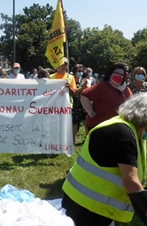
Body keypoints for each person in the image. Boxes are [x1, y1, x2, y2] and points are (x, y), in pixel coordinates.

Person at [62, 93, 147, 226]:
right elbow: (131, 183)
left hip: (97, 203)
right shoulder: (121, 134)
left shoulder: (135, 132)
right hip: (86, 205)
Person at [80, 63, 133, 131]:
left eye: (121, 74)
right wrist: (91, 112)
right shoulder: (102, 86)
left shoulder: (126, 89)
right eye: (116, 73)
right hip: (98, 126)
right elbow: (84, 95)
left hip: (117, 126)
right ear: (110, 73)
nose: (118, 75)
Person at [71, 64, 88, 145]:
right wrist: (82, 88)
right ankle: (73, 139)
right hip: (74, 104)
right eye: (79, 71)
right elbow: (73, 92)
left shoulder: (84, 80)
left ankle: (87, 137)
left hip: (83, 103)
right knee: (75, 122)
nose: (80, 73)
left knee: (87, 120)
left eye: (81, 71)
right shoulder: (71, 80)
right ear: (74, 71)